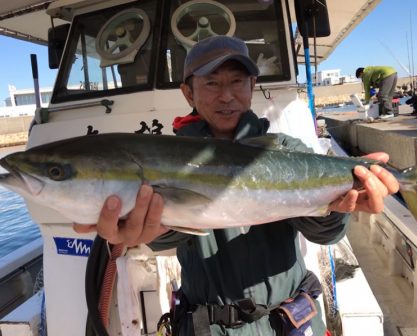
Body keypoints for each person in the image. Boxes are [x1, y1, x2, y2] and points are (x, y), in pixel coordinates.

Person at [75, 36, 399, 335]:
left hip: (286, 324)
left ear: (252, 84)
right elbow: (171, 236)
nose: (226, 95)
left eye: (237, 82)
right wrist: (150, 227)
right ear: (188, 92)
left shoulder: (286, 150)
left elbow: (324, 233)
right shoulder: (171, 160)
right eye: (212, 83)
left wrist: (334, 208)